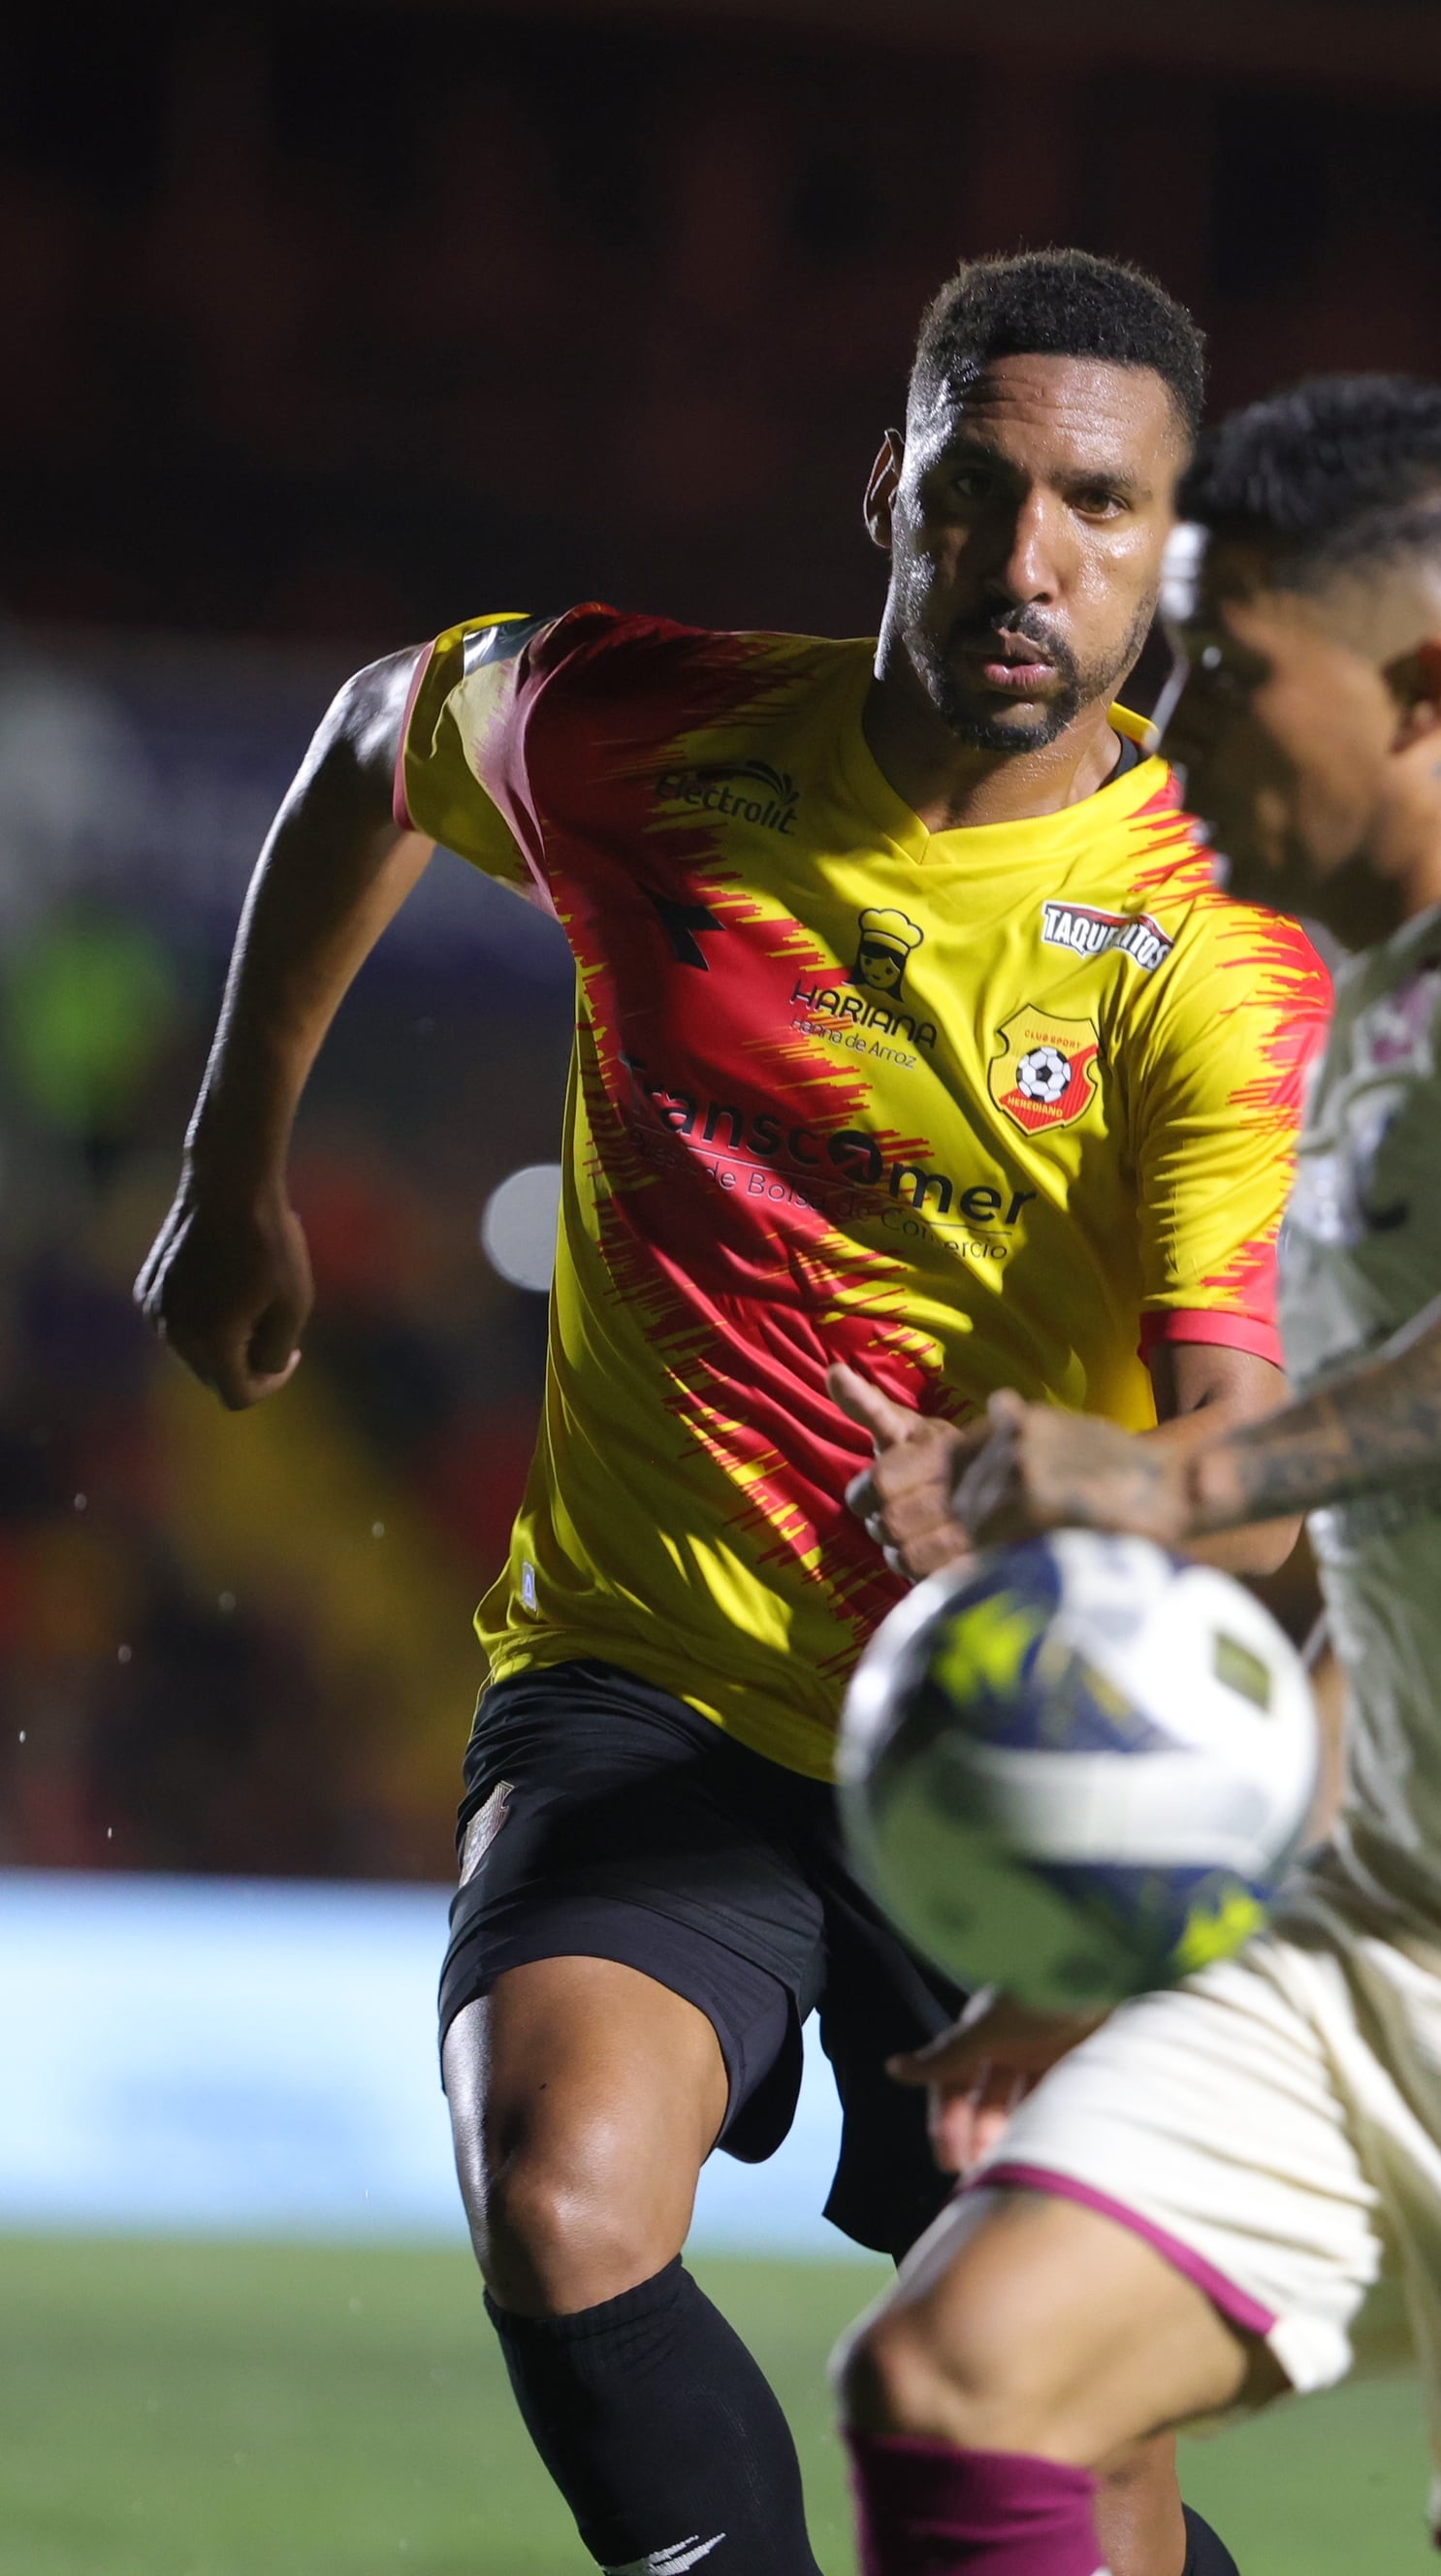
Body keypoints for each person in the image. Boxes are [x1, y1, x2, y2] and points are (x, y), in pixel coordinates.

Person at [135, 249, 1329, 2576]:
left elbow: (1252, 1485)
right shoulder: (642, 732)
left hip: (1025, 1736)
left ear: (1168, 559)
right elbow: (378, 735)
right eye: (979, 492)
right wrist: (230, 1169)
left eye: (1096, 507)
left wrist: (1035, 1508)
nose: (1027, 560)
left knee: (1049, 2453)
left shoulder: (1210, 948)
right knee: (558, 2181)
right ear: (889, 489)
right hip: (647, 1672)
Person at [839, 372, 1441, 2576]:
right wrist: (1127, 1909)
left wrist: (1154, 1483)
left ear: (1426, 689)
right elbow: (1390, 1564)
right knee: (964, 2374)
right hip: (1396, 1946)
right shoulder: (1377, 1025)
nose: (1176, 724)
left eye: (1229, 675)